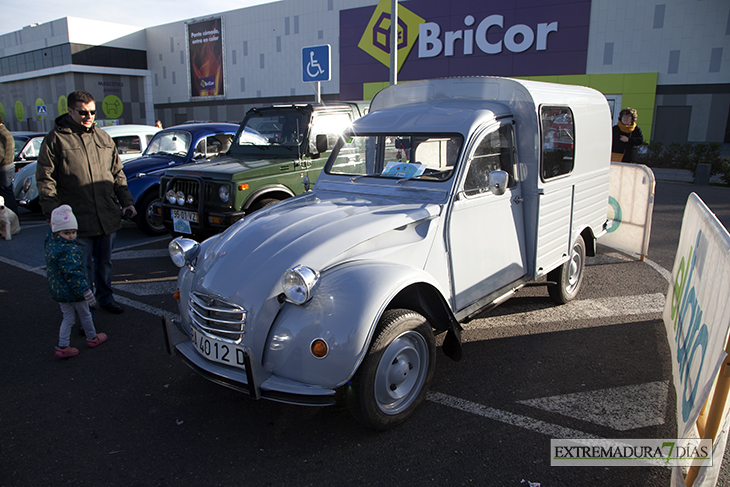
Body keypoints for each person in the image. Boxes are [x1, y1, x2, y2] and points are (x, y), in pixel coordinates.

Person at [37, 90, 137, 314]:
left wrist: (127, 202)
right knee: (80, 267)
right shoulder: (55, 139)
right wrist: (53, 214)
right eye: (83, 112)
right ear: (70, 111)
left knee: (105, 264)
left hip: (106, 215)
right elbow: (45, 179)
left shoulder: (103, 137)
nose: (89, 116)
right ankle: (84, 310)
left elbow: (117, 174)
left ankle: (106, 298)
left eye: (92, 112)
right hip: (76, 219)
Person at [46, 205, 108, 358]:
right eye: (66, 233)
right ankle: (92, 337)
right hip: (75, 292)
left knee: (67, 318)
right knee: (85, 314)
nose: (71, 236)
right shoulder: (70, 250)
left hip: (59, 291)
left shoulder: (52, 243)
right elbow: (74, 275)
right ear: (57, 232)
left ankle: (62, 346)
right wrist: (86, 291)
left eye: (73, 232)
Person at [0, 114, 19, 214]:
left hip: (3, 168)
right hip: (8, 166)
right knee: (8, 192)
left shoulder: (1, 133)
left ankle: (11, 216)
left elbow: (0, 153)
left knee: (6, 193)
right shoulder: (6, 132)